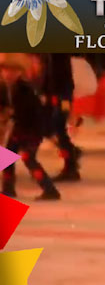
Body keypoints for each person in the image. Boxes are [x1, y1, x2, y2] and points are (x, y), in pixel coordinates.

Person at [0, 55, 60, 200]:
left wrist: (12, 114)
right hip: (18, 129)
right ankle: (8, 188)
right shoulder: (4, 88)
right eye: (5, 71)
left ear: (19, 73)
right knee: (6, 157)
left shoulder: (26, 90)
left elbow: (33, 112)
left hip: (31, 130)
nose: (8, 74)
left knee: (28, 158)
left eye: (13, 71)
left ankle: (50, 189)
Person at [40, 53, 81, 182]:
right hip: (56, 94)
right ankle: (71, 157)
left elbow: (61, 76)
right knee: (53, 127)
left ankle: (71, 164)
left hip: (62, 96)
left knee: (58, 127)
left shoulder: (60, 55)